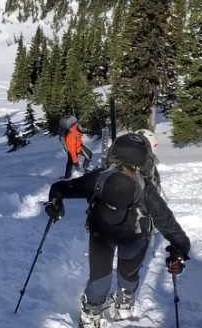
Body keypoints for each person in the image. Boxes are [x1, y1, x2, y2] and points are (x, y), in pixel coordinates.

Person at [45, 133, 190, 328]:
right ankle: (124, 303)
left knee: (100, 279)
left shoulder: (98, 178)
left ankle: (92, 311)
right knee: (127, 276)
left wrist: (55, 202)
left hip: (102, 232)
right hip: (134, 234)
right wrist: (179, 254)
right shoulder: (147, 190)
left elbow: (61, 187)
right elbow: (173, 230)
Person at [58, 115, 93, 179]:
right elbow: (72, 151)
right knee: (71, 161)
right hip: (70, 147)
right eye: (82, 133)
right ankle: (67, 177)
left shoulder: (76, 126)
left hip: (77, 145)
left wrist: (80, 141)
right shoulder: (70, 136)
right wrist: (75, 162)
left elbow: (77, 136)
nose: (83, 134)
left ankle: (85, 168)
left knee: (89, 154)